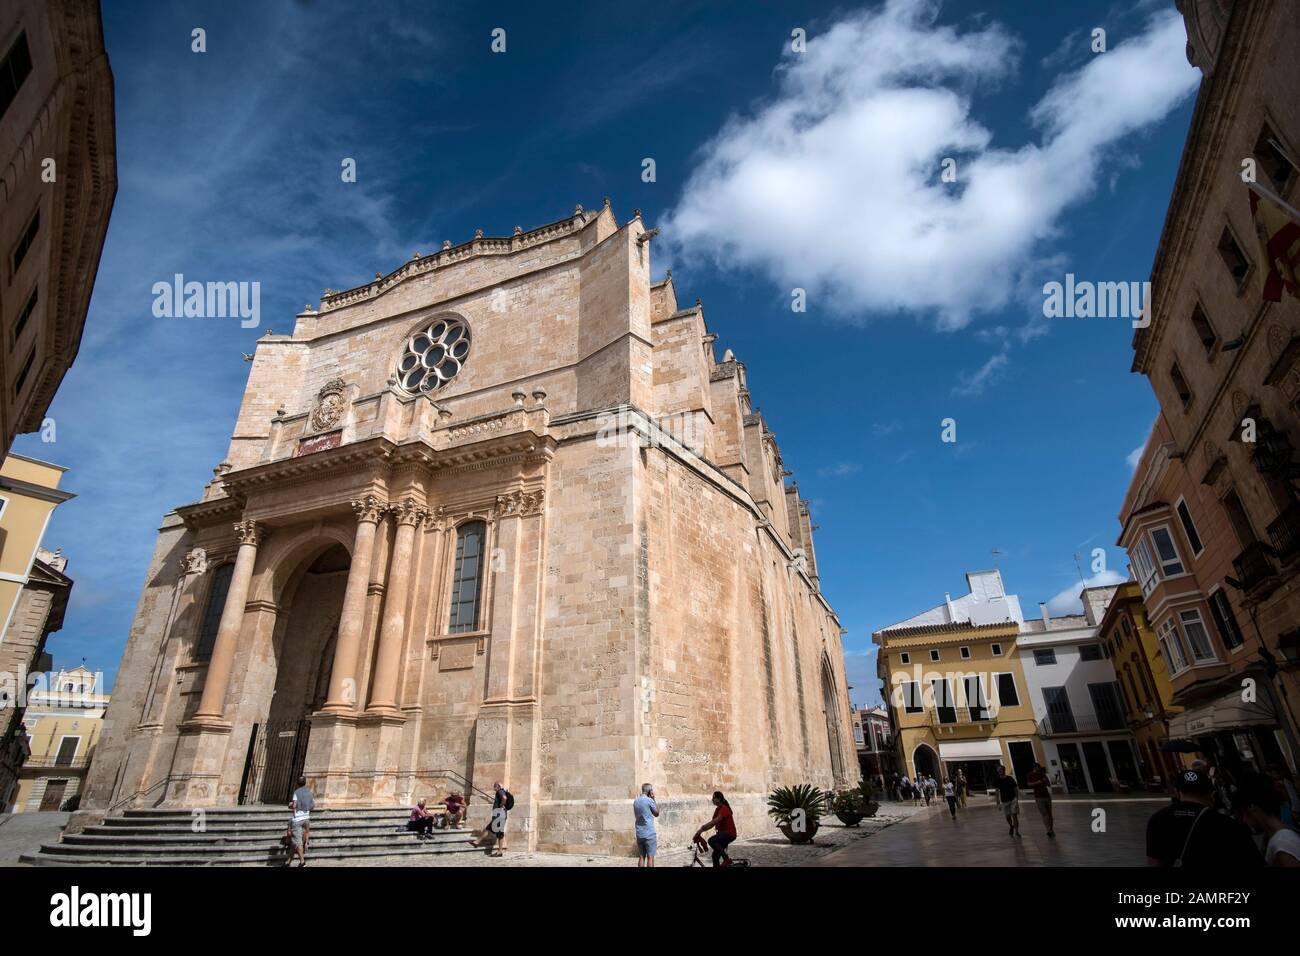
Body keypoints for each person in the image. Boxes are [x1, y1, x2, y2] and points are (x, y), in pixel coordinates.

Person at [1145, 769, 1263, 868]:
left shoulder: (1158, 820)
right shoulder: (1228, 824)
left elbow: (1155, 863)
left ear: (1177, 792)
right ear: (1212, 795)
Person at [1240, 773, 1300, 867]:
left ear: (1252, 807)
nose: (1244, 820)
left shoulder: (1283, 843)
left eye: (1244, 813)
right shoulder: (1278, 838)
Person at [694, 790, 737, 867]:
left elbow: (716, 820)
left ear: (719, 799)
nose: (712, 800)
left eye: (714, 798)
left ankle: (727, 859)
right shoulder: (718, 809)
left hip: (729, 833)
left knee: (711, 840)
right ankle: (726, 860)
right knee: (715, 856)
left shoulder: (724, 808)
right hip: (723, 834)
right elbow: (712, 824)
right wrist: (700, 831)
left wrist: (702, 827)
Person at [469, 780, 511, 857]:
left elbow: (504, 798)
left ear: (498, 786)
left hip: (499, 814)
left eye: (494, 786)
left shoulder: (500, 791)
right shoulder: (503, 791)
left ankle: (477, 842)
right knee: (497, 832)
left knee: (490, 829)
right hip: (502, 814)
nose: (493, 788)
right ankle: (499, 851)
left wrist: (501, 805)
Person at [289, 776, 314, 867]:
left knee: (297, 842)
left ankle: (302, 862)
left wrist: (290, 805)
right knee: (294, 841)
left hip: (298, 819)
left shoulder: (296, 792)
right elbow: (312, 806)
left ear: (297, 783)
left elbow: (294, 805)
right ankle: (288, 862)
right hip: (306, 818)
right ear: (305, 783)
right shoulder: (309, 793)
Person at [633, 782, 659, 867]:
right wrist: (654, 799)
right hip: (649, 833)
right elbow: (656, 813)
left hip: (639, 832)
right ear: (649, 791)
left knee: (641, 857)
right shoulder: (649, 801)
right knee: (650, 857)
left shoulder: (636, 801)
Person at [1027, 762, 1054, 838]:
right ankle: (1048, 830)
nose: (1038, 769)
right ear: (1034, 768)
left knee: (1049, 814)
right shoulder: (1030, 775)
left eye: (1039, 768)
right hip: (1038, 797)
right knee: (1044, 813)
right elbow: (1029, 785)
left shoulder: (1043, 774)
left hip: (1046, 796)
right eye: (1037, 768)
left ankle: (1051, 829)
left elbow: (1049, 784)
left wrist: (1046, 781)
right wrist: (1037, 782)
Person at [994, 765, 1020, 837]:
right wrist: (998, 802)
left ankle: (1017, 831)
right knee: (1007, 816)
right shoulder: (997, 780)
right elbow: (996, 791)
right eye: (998, 770)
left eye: (1000, 770)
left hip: (1013, 799)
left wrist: (1017, 798)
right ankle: (1011, 825)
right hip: (1005, 800)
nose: (999, 771)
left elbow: (1015, 788)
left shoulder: (1010, 778)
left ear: (1004, 770)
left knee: (1014, 815)